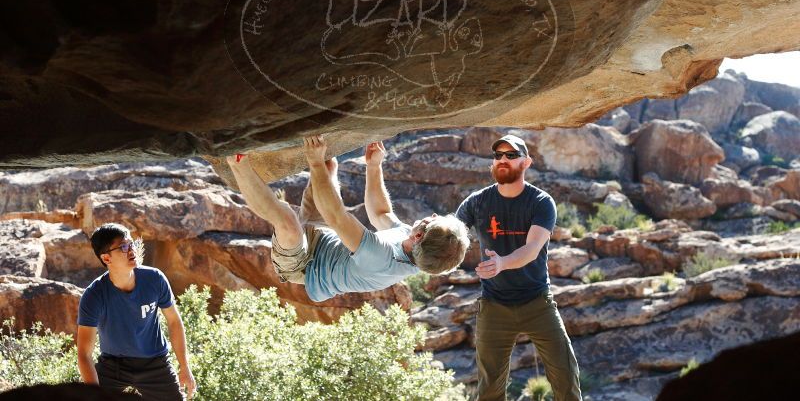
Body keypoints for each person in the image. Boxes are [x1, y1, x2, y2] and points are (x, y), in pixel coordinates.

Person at [226, 135, 470, 302]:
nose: (434, 214)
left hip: (303, 264)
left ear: (419, 237)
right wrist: (374, 166)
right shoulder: (412, 245)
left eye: (434, 220)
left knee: (288, 224)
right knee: (329, 163)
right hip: (323, 235)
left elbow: (336, 215)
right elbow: (381, 214)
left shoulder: (381, 259)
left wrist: (313, 161)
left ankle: (235, 161)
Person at [456, 134, 582, 401]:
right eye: (498, 155)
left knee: (566, 376)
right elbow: (452, 234)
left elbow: (532, 249)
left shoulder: (541, 202)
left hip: (537, 301)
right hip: (494, 305)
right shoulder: (477, 202)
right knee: (489, 389)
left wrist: (501, 263)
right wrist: (429, 235)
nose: (503, 160)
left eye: (511, 156)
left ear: (526, 163)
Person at [77, 223, 196, 400]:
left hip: (155, 364)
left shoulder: (154, 279)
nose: (131, 249)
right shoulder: (94, 296)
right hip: (113, 366)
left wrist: (184, 367)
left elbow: (173, 321)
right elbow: (84, 354)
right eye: (123, 247)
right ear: (107, 258)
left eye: (131, 243)